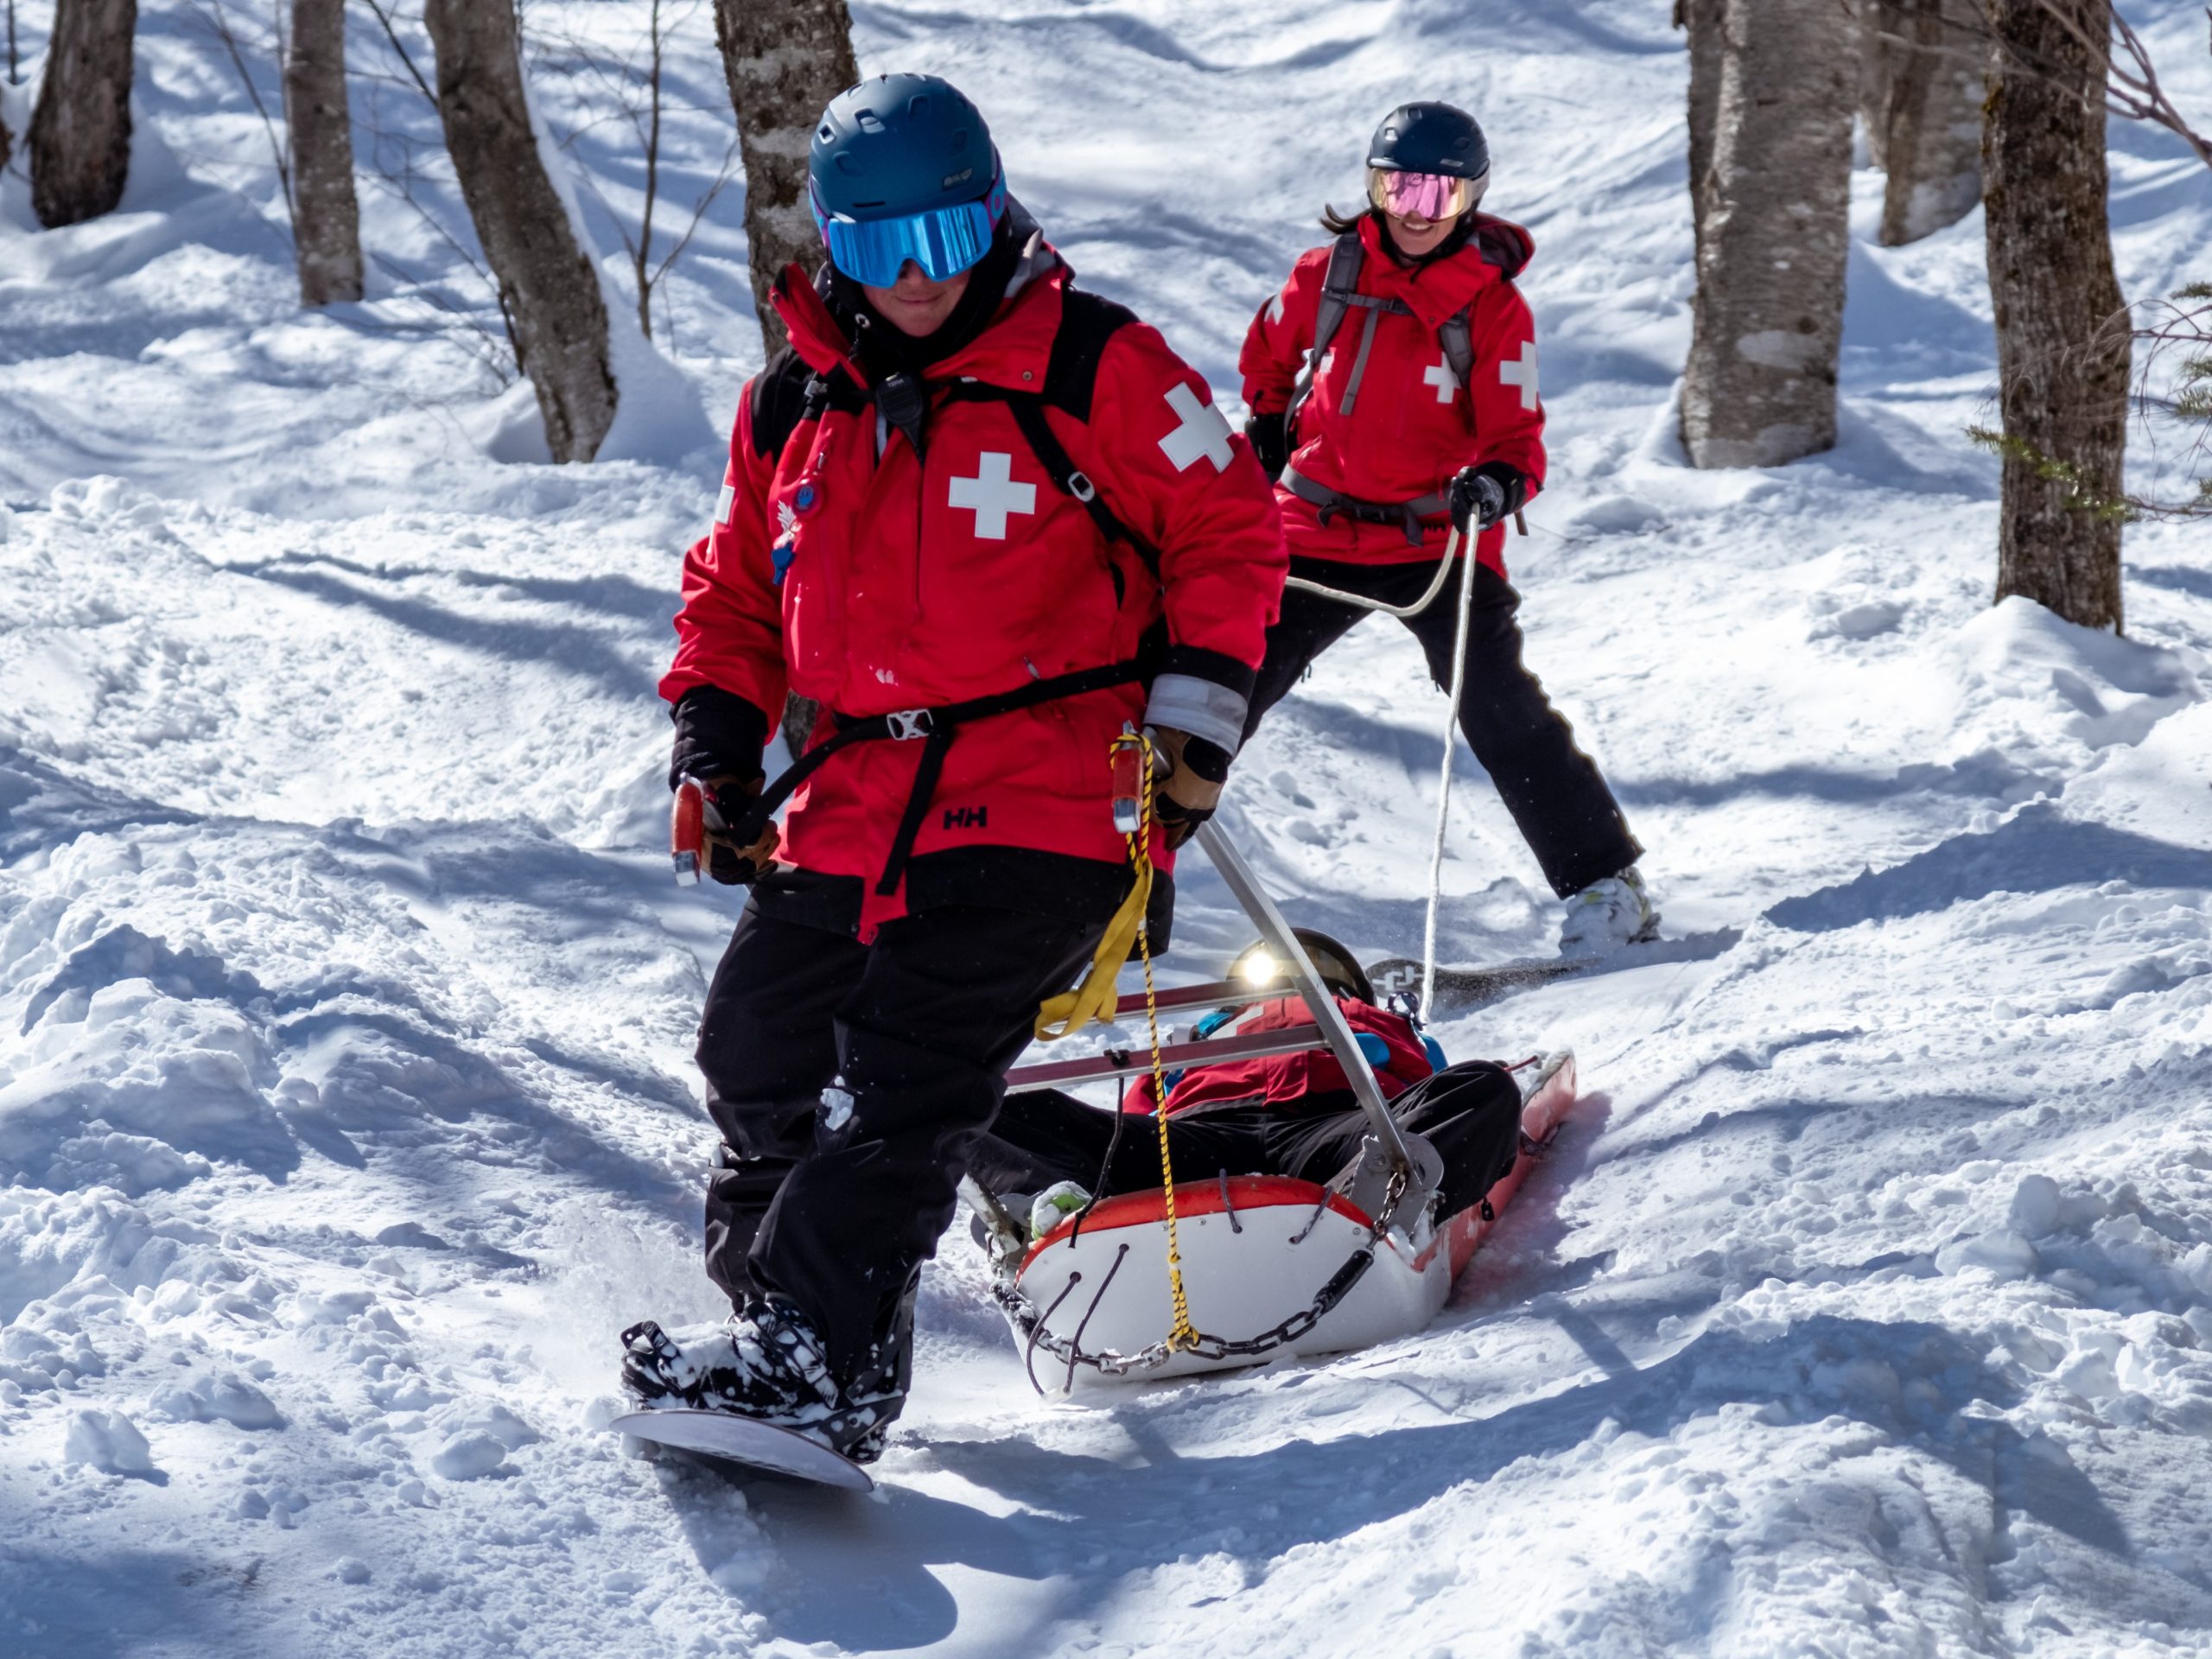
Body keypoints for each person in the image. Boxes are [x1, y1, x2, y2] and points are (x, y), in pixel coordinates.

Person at [617, 74, 1287, 1463]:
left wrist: (1195, 718)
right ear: (832, 245)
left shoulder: (1096, 365)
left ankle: (811, 1346)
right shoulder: (793, 400)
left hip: (1052, 791)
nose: (918, 278)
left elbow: (1229, 528)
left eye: (947, 236)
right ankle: (803, 1346)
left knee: (900, 1071)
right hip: (853, 805)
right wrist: (719, 751)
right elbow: (733, 593)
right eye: (881, 248)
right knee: (757, 1054)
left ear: (995, 215)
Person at [1238, 102, 1655, 957]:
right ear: (1373, 189)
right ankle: (1117, 865)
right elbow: (1268, 359)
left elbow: (1517, 439)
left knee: (1499, 703)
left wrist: (1494, 486)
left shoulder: (1492, 308)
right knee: (1218, 677)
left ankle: (1607, 887)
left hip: (1435, 541)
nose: (1417, 211)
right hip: (1314, 528)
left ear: (1471, 199)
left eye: (1440, 193)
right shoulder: (1323, 275)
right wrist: (1268, 426)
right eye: (1399, 188)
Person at [970, 931, 1525, 1237]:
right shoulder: (1207, 1028)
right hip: (1199, 1137)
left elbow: (1430, 1087)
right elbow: (1141, 1106)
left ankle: (1373, 1200)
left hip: (1340, 1134)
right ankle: (1062, 1207)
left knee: (1484, 1087)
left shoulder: (1372, 1017)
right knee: (991, 1104)